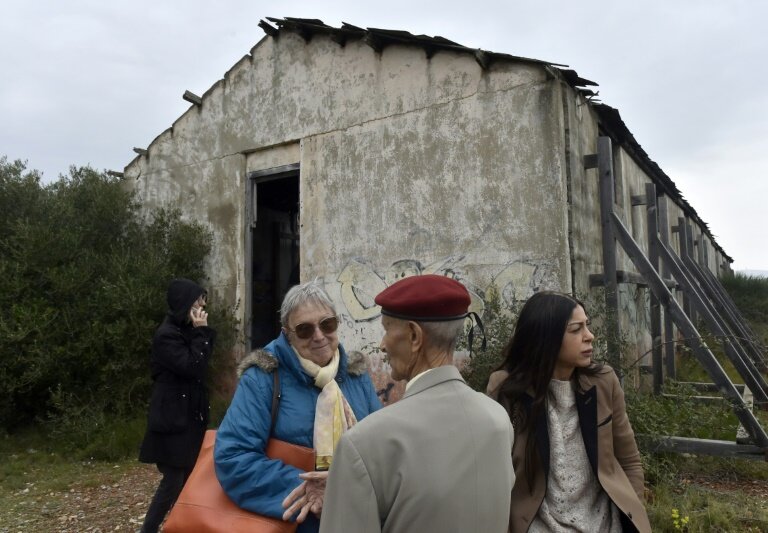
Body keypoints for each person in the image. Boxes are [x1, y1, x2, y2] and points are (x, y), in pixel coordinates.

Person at [319, 274, 515, 533]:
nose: (382, 344)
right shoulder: (498, 420)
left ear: (414, 336)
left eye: (387, 329)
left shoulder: (365, 444)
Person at [214, 280, 381, 533]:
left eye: (327, 324)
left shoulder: (356, 375)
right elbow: (233, 457)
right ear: (287, 333)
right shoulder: (263, 378)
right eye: (304, 330)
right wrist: (303, 488)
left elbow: (381, 448)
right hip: (299, 523)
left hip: (358, 518)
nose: (318, 336)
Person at [486, 291, 651, 533]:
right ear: (546, 338)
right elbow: (494, 475)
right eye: (576, 330)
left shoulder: (603, 381)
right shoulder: (506, 389)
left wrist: (633, 515)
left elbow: (629, 460)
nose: (589, 336)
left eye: (587, 326)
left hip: (607, 525)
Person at [138, 278, 216, 533]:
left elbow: (202, 363)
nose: (203, 305)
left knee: (189, 478)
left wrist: (200, 333)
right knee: (173, 480)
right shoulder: (167, 335)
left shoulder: (185, 330)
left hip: (188, 416)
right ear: (184, 303)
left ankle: (183, 526)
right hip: (172, 418)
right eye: (197, 300)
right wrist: (201, 332)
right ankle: (148, 529)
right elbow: (192, 366)